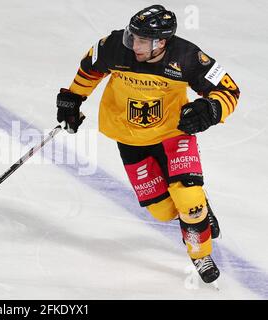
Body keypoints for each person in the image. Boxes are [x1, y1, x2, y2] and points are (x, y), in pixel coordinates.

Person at [56, 4, 240, 284]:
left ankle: (200, 253)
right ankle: (197, 207)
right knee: (164, 211)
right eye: (133, 37)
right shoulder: (116, 46)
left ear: (162, 42)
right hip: (130, 138)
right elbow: (90, 66)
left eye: (141, 40)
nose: (134, 45)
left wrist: (211, 110)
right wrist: (73, 98)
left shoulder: (188, 56)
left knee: (189, 202)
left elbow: (228, 89)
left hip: (173, 133)